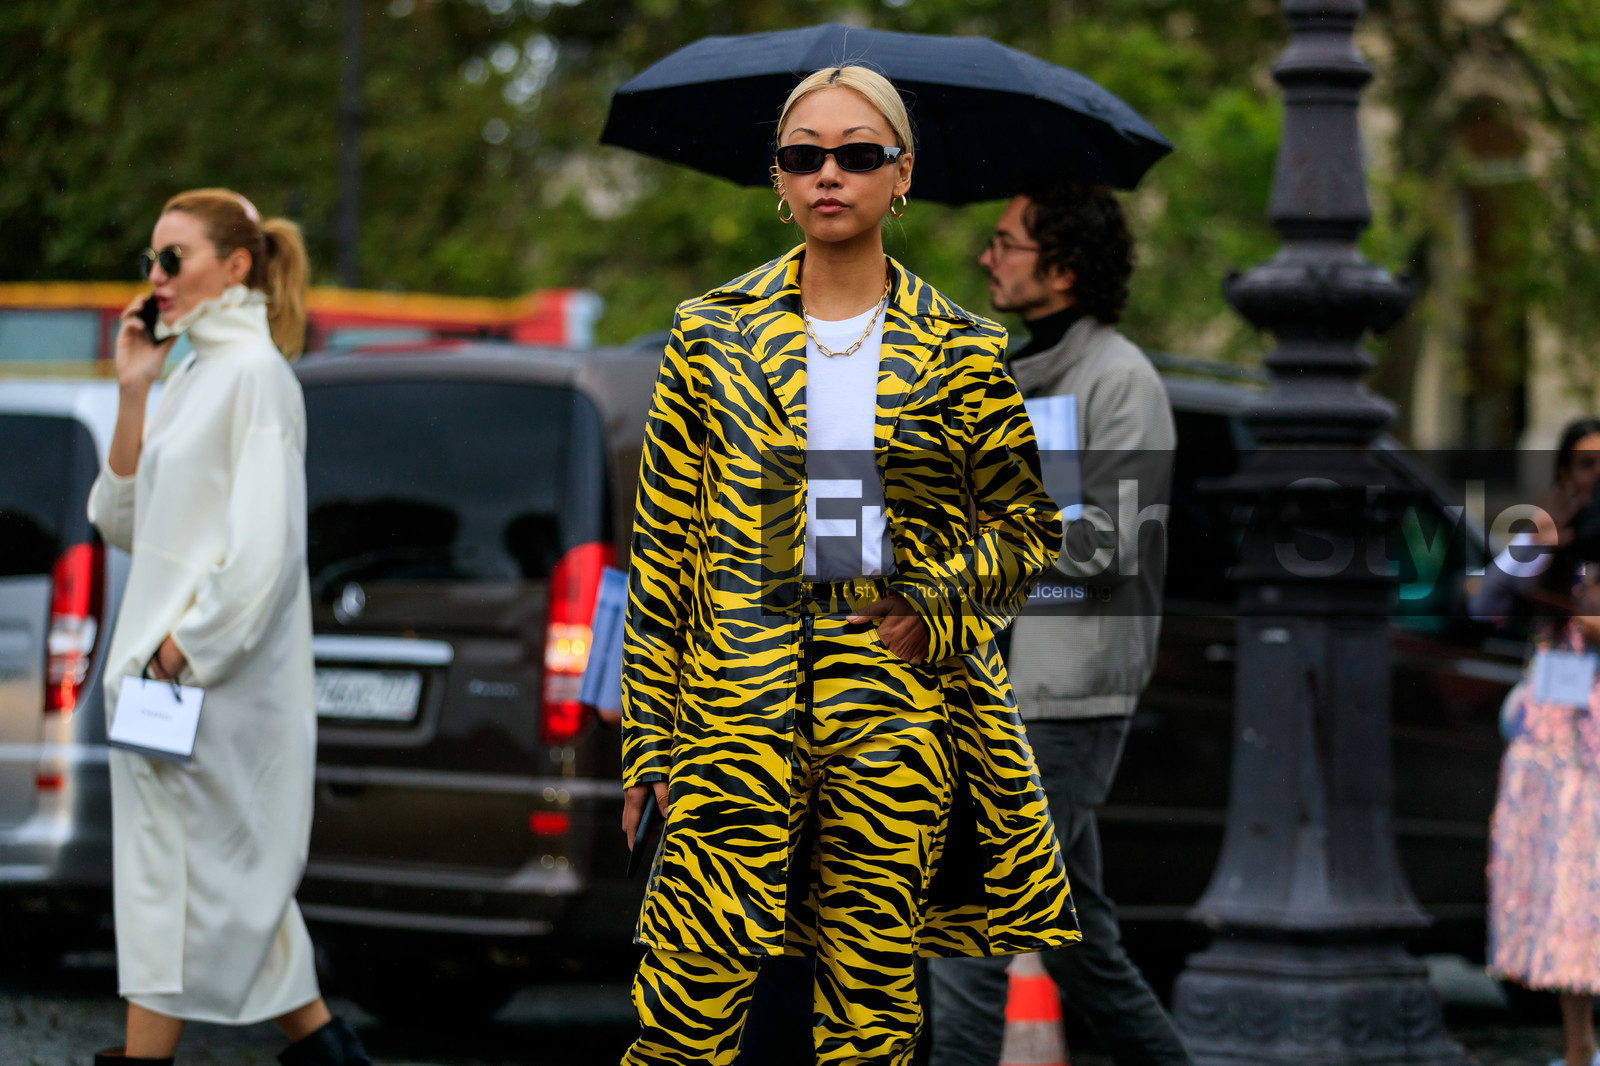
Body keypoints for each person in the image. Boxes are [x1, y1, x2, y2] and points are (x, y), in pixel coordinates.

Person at [618, 66, 1078, 1066]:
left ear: (900, 174)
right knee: (684, 1006)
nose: (829, 174)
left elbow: (1027, 528)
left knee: (870, 1016)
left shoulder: (963, 347)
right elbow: (663, 555)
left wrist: (932, 601)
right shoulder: (708, 333)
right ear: (778, 178)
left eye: (859, 154)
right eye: (804, 155)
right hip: (733, 709)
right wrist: (648, 744)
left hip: (892, 707)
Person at [88, 189, 369, 1066]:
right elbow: (122, 521)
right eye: (151, 260)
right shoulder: (193, 374)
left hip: (207, 688)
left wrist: (176, 657)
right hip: (169, 687)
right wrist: (134, 390)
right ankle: (329, 1053)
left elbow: (265, 555)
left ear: (236, 264)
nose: (156, 276)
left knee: (175, 885)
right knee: (214, 887)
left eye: (173, 258)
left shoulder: (255, 376)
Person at [928, 179, 1191, 1066]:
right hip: (993, 690)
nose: (986, 257)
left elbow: (1110, 541)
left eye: (1007, 243)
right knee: (1084, 952)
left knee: (967, 928)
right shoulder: (1007, 375)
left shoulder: (1122, 382)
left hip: (1062, 700)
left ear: (1066, 270)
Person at [1476, 419, 1600, 1066]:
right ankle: (1580, 1047)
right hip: (1552, 746)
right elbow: (1483, 601)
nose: (1596, 477)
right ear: (1563, 473)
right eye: (1585, 464)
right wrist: (1538, 541)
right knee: (1565, 893)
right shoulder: (1550, 543)